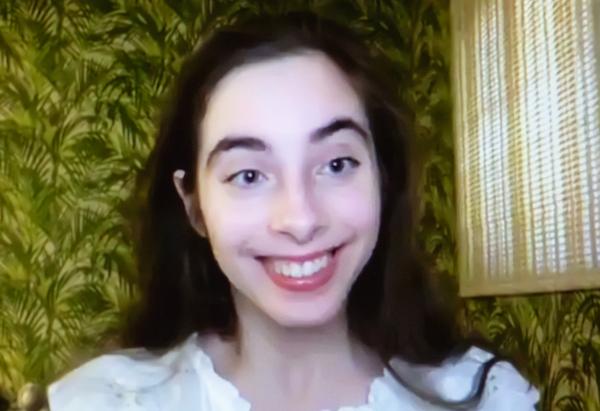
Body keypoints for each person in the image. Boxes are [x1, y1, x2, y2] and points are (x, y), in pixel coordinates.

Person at [47, 12, 539, 411]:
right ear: (194, 206)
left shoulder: (484, 399)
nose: (301, 220)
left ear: (383, 179)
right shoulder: (102, 402)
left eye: (337, 164)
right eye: (249, 175)